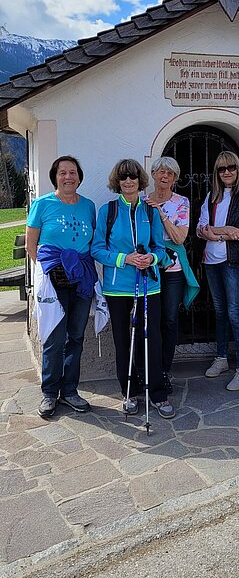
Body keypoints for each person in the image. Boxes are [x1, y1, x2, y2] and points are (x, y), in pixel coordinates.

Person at [91, 158, 175, 419]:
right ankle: (129, 392)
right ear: (117, 182)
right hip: (118, 288)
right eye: (124, 178)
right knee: (122, 340)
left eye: (133, 177)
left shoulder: (150, 211)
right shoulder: (109, 211)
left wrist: (152, 258)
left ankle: (158, 394)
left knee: (151, 339)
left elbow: (161, 249)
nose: (128, 181)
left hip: (148, 285)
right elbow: (97, 249)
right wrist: (124, 259)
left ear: (140, 181)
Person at [26, 155, 97, 418]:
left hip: (80, 280)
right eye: (62, 173)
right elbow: (31, 245)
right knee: (54, 338)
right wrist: (48, 273)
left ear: (79, 176)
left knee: (76, 336)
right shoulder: (43, 204)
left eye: (73, 172)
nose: (68, 177)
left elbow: (91, 243)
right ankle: (49, 393)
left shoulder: (89, 206)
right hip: (54, 281)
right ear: (55, 177)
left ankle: (70, 391)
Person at [197, 151, 239, 391]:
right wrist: (225, 230)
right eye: (221, 169)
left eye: (231, 167)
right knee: (220, 311)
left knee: (235, 313)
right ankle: (222, 358)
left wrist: (216, 231)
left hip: (233, 261)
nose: (226, 172)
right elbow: (201, 228)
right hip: (211, 262)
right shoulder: (212, 196)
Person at [145, 156, 199, 394]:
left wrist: (162, 215)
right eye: (160, 172)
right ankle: (149, 368)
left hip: (173, 270)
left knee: (168, 320)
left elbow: (179, 238)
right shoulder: (143, 201)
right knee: (150, 320)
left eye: (170, 173)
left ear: (175, 179)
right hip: (150, 268)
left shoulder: (181, 202)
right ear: (153, 175)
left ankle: (164, 369)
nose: (164, 176)